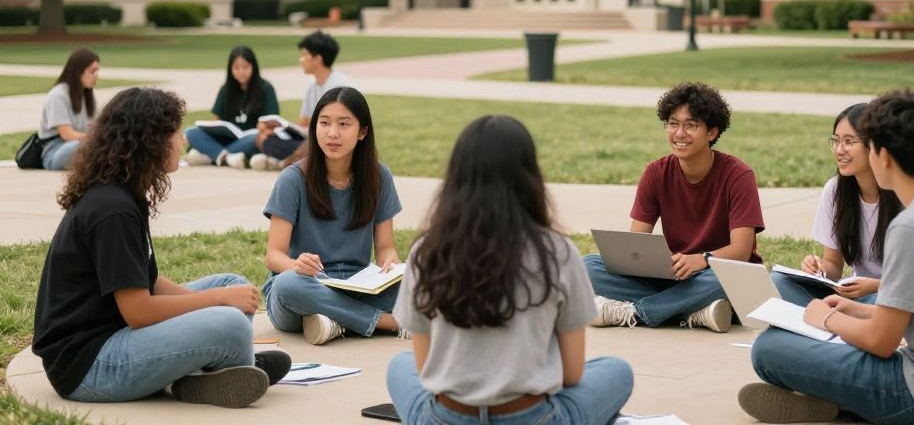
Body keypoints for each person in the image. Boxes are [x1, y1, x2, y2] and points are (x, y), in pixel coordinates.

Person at [740, 90, 914, 425]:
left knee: (769, 350)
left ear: (882, 156)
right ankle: (838, 406)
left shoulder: (913, 225)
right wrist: (852, 309)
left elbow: (881, 342)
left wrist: (824, 318)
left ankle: (843, 402)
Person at [32, 87, 291, 408]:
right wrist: (218, 302)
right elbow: (139, 311)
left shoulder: (123, 194)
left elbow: (149, 282)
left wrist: (219, 297)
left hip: (115, 335)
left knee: (232, 284)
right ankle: (222, 367)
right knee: (232, 319)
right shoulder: (113, 209)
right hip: (92, 368)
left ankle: (209, 371)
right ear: (149, 140)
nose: (182, 139)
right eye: (176, 131)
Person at [387, 115, 634, 425]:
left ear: (456, 178)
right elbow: (572, 374)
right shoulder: (557, 253)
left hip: (446, 417)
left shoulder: (427, 251)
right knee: (617, 371)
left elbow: (424, 370)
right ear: (529, 177)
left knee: (401, 365)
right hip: (533, 417)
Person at [584, 81, 764, 332]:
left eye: (690, 125)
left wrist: (702, 260)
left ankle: (639, 312)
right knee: (589, 266)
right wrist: (648, 262)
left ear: (712, 132)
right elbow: (637, 241)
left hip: (716, 273)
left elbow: (742, 251)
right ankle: (694, 313)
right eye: (672, 123)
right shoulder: (655, 173)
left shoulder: (739, 175)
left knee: (726, 279)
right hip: (674, 274)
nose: (679, 133)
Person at [262, 86, 404, 345]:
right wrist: (297, 265)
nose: (332, 133)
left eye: (344, 124)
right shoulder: (292, 180)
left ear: (363, 131)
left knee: (417, 285)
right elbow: (273, 256)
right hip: (305, 287)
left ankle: (333, 321)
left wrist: (391, 265)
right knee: (287, 286)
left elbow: (385, 248)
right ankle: (384, 322)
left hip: (356, 286)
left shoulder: (379, 176)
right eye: (324, 123)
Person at [771, 103, 902, 306]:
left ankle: (837, 317)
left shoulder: (902, 194)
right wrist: (818, 270)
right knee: (779, 281)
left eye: (849, 142)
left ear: (874, 145)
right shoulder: (835, 190)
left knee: (883, 302)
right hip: (853, 294)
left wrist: (874, 286)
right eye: (836, 141)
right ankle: (841, 315)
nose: (839, 150)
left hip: (893, 294)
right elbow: (833, 265)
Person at [249, 30, 351, 171]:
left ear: (317, 59)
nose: (300, 60)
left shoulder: (338, 86)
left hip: (333, 142)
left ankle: (289, 164)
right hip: (311, 141)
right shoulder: (312, 87)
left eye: (304, 55)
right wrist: (279, 128)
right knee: (262, 137)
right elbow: (303, 125)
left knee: (312, 142)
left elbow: (335, 128)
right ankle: (292, 162)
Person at [183, 45, 280, 168]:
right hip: (227, 139)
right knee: (190, 132)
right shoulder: (226, 89)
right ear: (230, 69)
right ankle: (227, 157)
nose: (241, 72)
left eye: (245, 67)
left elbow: (271, 123)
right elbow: (216, 120)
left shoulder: (266, 89)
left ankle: (212, 155)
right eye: (236, 68)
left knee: (257, 138)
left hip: (249, 139)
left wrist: (263, 126)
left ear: (253, 67)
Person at [37, 47, 100, 171]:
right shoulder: (58, 95)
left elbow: (95, 128)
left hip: (82, 145)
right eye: (92, 72)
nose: (96, 76)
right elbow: (67, 134)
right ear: (78, 71)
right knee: (82, 146)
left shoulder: (87, 96)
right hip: (55, 152)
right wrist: (98, 141)